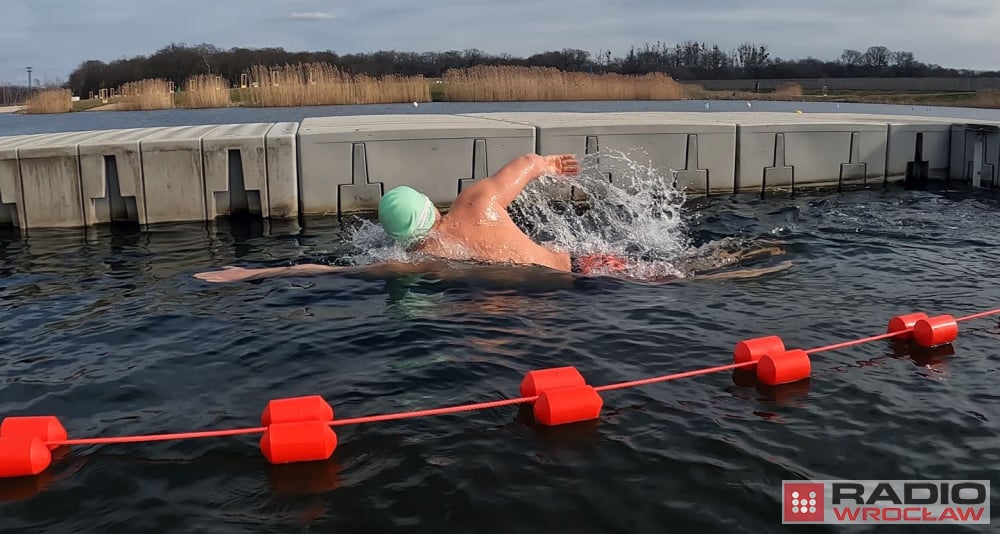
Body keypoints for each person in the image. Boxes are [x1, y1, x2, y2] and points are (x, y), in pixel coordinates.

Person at [193, 152, 788, 284]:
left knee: (685, 276)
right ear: (431, 203)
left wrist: (251, 274)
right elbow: (527, 161)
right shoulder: (478, 201)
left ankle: (747, 269)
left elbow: (321, 271)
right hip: (582, 265)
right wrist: (553, 164)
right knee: (678, 270)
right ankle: (757, 258)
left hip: (575, 282)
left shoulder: (421, 258)